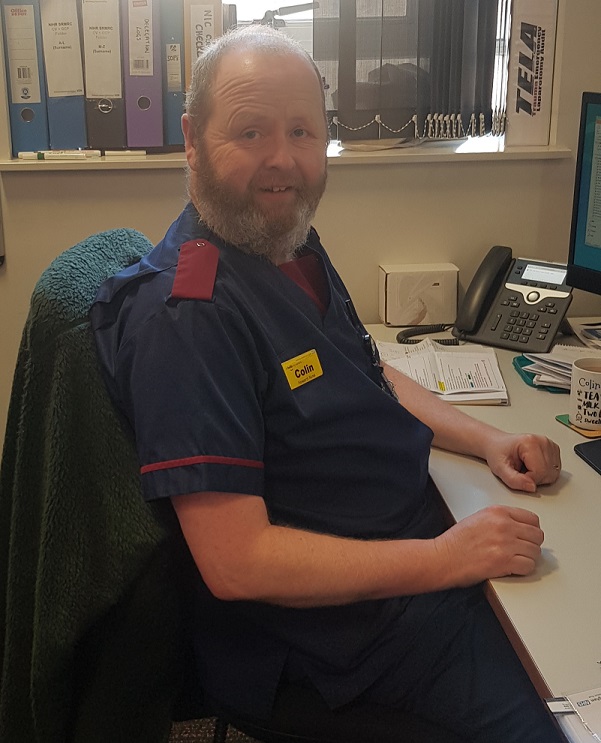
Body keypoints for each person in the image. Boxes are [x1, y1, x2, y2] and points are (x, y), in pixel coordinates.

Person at [91, 25, 564, 743]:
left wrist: (488, 439)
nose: (283, 159)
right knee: (566, 706)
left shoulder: (286, 242)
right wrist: (447, 558)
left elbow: (367, 371)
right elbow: (237, 562)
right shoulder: (186, 318)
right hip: (335, 642)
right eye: (250, 131)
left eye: (302, 132)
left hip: (404, 555)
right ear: (191, 140)